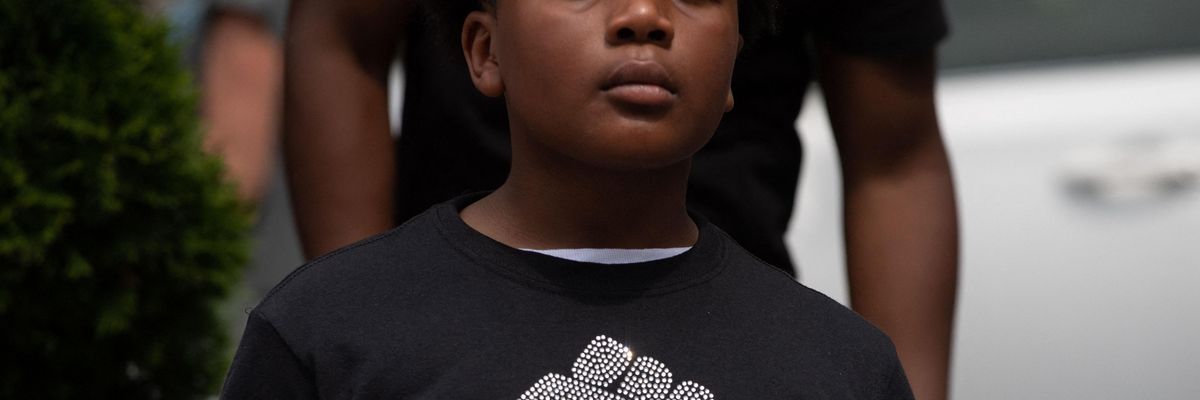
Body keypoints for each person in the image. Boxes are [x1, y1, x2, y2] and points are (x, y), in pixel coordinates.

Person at [223, 0, 917, 397]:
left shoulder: (839, 366)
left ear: (736, 59)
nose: (643, 14)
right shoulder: (329, 335)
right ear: (485, 51)